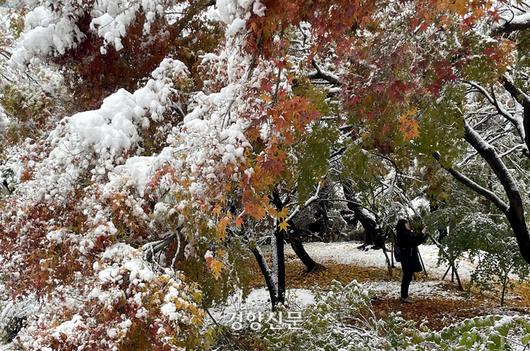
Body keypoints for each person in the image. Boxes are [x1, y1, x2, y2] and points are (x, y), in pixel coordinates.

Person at [395, 219, 427, 303]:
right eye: (407, 223)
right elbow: (413, 240)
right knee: (407, 277)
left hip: (408, 258)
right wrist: (422, 233)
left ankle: (404, 296)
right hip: (407, 259)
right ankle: (404, 296)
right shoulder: (403, 234)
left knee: (407, 277)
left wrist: (423, 235)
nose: (408, 224)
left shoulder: (405, 233)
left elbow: (415, 242)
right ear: (403, 225)